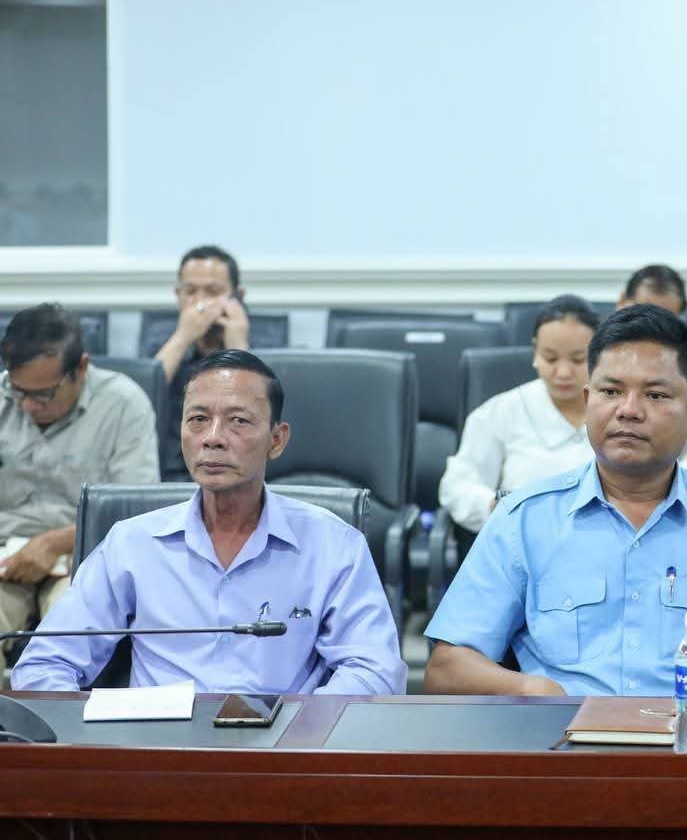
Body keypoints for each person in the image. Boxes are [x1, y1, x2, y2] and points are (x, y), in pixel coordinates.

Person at [423, 305, 687, 697]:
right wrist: (531, 691)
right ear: (588, 402)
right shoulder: (523, 519)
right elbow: (447, 667)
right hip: (562, 739)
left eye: (655, 395)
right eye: (610, 391)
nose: (629, 411)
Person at [13, 349, 406, 694]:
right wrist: (97, 735)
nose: (213, 438)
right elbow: (44, 664)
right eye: (198, 419)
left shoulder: (333, 544)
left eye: (238, 421)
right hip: (156, 746)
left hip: (283, 744)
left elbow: (375, 670)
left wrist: (303, 728)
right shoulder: (133, 544)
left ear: (277, 440)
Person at [0, 303, 159, 645]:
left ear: (81, 367)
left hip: (87, 555)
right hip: (5, 556)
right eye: (19, 391)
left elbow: (136, 510)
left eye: (43, 394)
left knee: (71, 636)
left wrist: (51, 543)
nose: (28, 405)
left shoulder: (124, 404)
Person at [438, 295, 599, 534]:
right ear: (535, 351)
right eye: (550, 358)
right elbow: (457, 487)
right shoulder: (500, 412)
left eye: (578, 359)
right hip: (522, 541)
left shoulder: (619, 408)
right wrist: (498, 506)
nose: (563, 372)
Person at [617, 265, 687, 477]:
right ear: (623, 302)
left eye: (666, 318)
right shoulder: (591, 353)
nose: (653, 326)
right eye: (644, 313)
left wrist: (681, 476)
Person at [152, 245, 250, 479]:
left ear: (237, 296)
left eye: (213, 291)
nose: (200, 302)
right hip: (169, 477)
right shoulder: (163, 344)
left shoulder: (263, 345)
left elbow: (263, 411)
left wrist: (239, 348)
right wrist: (182, 338)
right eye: (190, 292)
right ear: (178, 295)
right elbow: (137, 402)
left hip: (239, 475)